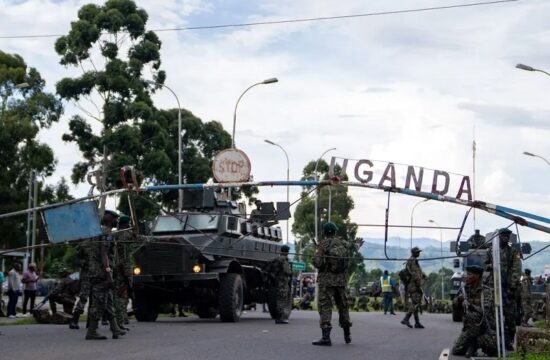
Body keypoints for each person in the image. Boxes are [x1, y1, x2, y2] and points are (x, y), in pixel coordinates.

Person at [85, 210, 126, 340]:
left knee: (108, 300)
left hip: (95, 271)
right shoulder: (106, 233)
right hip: (101, 273)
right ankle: (92, 331)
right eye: (115, 219)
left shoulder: (95, 232)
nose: (116, 222)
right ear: (110, 220)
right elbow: (104, 253)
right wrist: (108, 273)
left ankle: (115, 328)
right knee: (98, 302)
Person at [312, 222, 353, 346]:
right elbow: (350, 256)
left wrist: (316, 255)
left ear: (324, 232)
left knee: (325, 307)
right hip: (341, 281)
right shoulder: (343, 243)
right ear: (335, 232)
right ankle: (347, 334)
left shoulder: (322, 245)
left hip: (326, 281)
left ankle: (326, 337)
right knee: (343, 306)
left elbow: (318, 263)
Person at [484, 228, 522, 350]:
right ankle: (496, 341)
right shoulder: (491, 251)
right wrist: (491, 266)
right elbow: (485, 266)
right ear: (498, 237)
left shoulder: (513, 252)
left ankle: (509, 341)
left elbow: (516, 269)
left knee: (510, 316)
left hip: (508, 288)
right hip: (494, 287)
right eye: (503, 236)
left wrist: (512, 286)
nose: (505, 238)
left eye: (507, 236)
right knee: (493, 315)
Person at [451, 265, 497, 357]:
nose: (466, 276)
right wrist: (459, 300)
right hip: (470, 328)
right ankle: (472, 344)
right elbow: (453, 306)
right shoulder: (464, 289)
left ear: (476, 276)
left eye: (469, 274)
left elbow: (485, 311)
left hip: (485, 328)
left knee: (493, 351)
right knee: (456, 350)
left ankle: (474, 345)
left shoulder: (486, 291)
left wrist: (471, 306)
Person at [113, 215, 135, 330]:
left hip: (117, 269)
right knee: (122, 297)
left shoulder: (115, 235)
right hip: (123, 270)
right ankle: (118, 323)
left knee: (118, 296)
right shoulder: (125, 234)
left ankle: (119, 322)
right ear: (126, 224)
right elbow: (138, 238)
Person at [264, 244, 292, 324]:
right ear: (286, 252)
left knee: (279, 298)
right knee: (282, 299)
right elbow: (287, 271)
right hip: (283, 282)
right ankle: (281, 317)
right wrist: (290, 272)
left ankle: (278, 317)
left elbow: (268, 269)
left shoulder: (274, 259)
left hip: (276, 281)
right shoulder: (284, 260)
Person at [401, 246, 427, 329]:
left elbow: (417, 272)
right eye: (417, 252)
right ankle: (406, 318)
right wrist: (420, 284)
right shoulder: (413, 261)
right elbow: (415, 275)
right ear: (413, 252)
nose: (419, 253)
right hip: (414, 286)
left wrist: (423, 275)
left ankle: (417, 322)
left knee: (416, 303)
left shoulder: (412, 260)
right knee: (415, 303)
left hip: (412, 285)